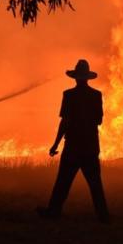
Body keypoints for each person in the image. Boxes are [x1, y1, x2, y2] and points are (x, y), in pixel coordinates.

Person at [37, 59, 110, 223]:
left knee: (63, 181)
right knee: (95, 183)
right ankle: (103, 216)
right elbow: (99, 120)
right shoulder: (96, 95)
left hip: (73, 146)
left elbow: (65, 121)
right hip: (90, 145)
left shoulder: (68, 95)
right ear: (87, 78)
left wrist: (56, 144)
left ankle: (53, 211)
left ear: (76, 78)